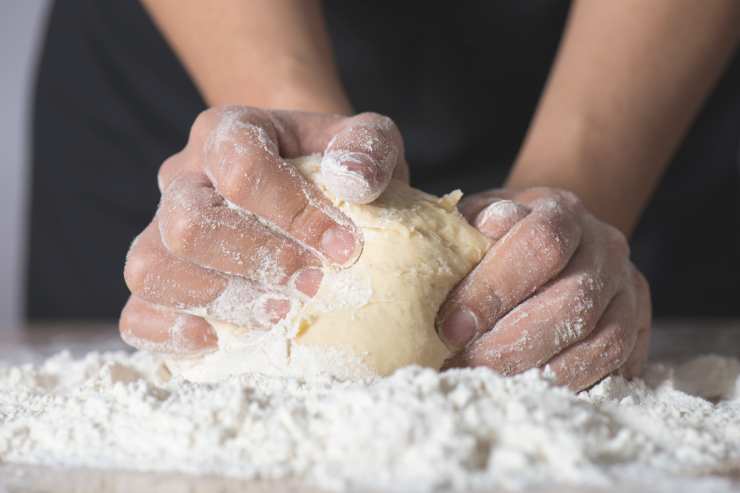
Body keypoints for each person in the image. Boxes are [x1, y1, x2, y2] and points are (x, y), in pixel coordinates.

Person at [27, 1, 740, 390]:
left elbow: (565, 238)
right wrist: (291, 158)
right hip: (207, 52)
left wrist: (578, 187)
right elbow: (279, 173)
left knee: (580, 353)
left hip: (639, 78)